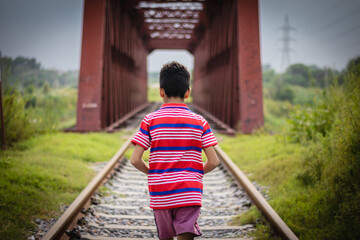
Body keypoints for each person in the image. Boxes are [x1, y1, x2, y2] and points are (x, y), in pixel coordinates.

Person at [130, 61, 220, 240]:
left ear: (161, 91)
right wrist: (193, 174)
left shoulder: (150, 120)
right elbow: (214, 161)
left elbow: (135, 160)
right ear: (188, 92)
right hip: (189, 190)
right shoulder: (199, 121)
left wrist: (154, 173)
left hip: (160, 190)